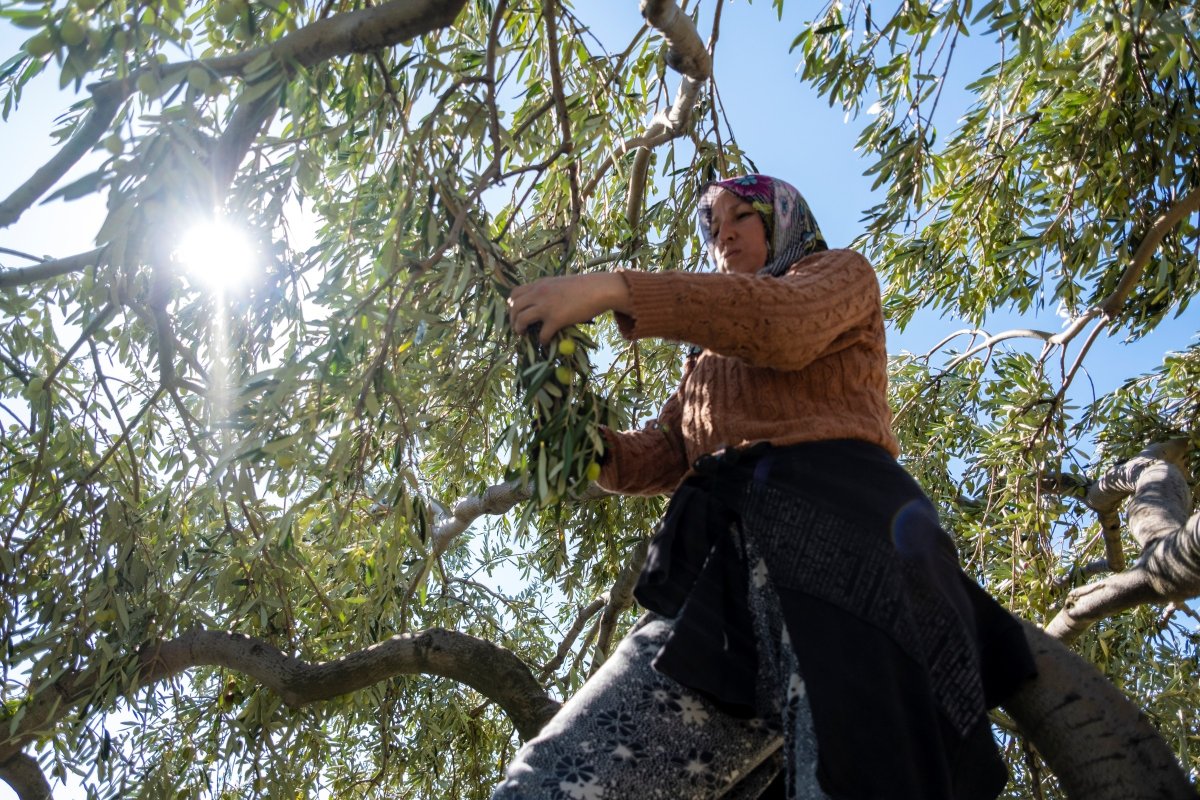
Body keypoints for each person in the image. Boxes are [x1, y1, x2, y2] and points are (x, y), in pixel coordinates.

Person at [496, 174, 1036, 800]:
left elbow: (782, 325)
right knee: (549, 783)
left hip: (840, 542)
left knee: (846, 777)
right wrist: (576, 437)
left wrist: (615, 289)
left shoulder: (839, 276)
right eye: (712, 225)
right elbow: (664, 453)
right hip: (720, 590)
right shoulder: (706, 362)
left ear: (782, 220)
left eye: (739, 217)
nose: (722, 233)